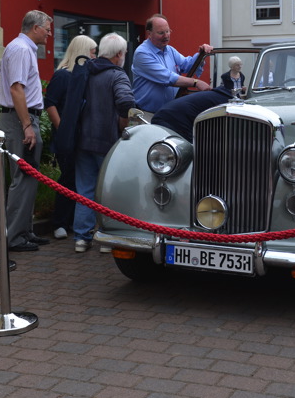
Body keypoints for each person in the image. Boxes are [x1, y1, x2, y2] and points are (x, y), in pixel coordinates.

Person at [73, 33, 135, 253]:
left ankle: (81, 238)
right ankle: (107, 237)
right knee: (110, 191)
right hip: (107, 141)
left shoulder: (85, 71)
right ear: (119, 54)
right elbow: (126, 101)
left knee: (84, 190)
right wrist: (123, 123)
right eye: (124, 53)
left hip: (82, 140)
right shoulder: (117, 75)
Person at [0, 10, 52, 252]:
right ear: (36, 28)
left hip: (20, 118)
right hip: (21, 120)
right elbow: (16, 89)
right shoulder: (20, 48)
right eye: (47, 29)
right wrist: (27, 124)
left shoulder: (20, 47)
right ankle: (15, 237)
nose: (50, 33)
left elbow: (0, 72)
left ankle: (24, 231)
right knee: (23, 177)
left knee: (28, 178)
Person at [44, 35, 97, 240]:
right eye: (92, 52)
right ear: (82, 51)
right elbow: (50, 104)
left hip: (78, 136)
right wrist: (63, 129)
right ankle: (60, 222)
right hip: (67, 138)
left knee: (77, 179)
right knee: (68, 178)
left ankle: (72, 222)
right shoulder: (63, 75)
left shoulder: (82, 75)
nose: (95, 56)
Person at [132, 14, 213, 113]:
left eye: (167, 31)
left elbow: (187, 65)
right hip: (147, 113)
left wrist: (201, 54)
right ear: (149, 33)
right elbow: (167, 78)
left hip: (169, 112)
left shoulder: (170, 50)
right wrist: (196, 82)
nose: (166, 36)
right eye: (161, 33)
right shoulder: (142, 53)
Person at [151, 86, 233, 142]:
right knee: (189, 152)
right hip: (173, 120)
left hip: (166, 114)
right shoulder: (225, 102)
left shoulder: (214, 96)